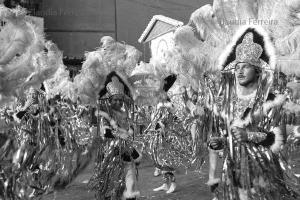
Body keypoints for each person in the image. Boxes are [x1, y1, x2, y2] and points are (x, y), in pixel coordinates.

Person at [207, 27, 299, 200]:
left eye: (246, 67)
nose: (239, 71)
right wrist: (221, 141)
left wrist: (248, 135)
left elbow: (277, 138)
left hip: (262, 171)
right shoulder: (230, 102)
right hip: (234, 171)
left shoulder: (271, 100)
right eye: (237, 67)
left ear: (257, 70)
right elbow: (231, 135)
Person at [89, 71, 142, 200]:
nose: (118, 102)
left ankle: (130, 192)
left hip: (125, 149)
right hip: (110, 153)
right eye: (115, 100)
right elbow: (106, 132)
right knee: (112, 179)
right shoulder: (106, 113)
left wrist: (129, 130)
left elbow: (130, 127)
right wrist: (119, 134)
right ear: (110, 100)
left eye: (120, 99)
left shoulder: (124, 113)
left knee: (129, 169)